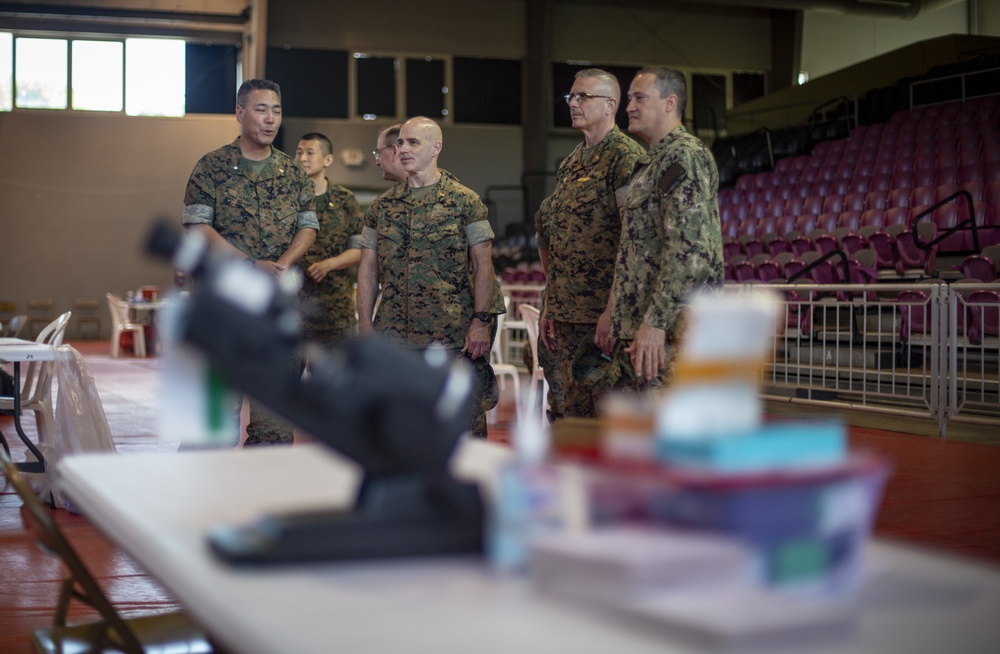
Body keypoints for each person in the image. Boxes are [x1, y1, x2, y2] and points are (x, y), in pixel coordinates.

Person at [182, 78, 318, 446]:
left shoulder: (294, 174)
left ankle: (263, 501)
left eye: (276, 110)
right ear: (240, 113)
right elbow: (198, 227)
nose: (270, 119)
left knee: (274, 427)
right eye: (261, 109)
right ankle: (202, 502)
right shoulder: (211, 167)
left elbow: (308, 228)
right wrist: (248, 264)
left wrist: (283, 265)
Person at [357, 116, 505, 438]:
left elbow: (484, 265)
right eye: (400, 144)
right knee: (401, 428)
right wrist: (365, 326)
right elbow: (368, 268)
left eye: (413, 142)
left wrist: (480, 322)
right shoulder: (382, 207)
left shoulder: (465, 202)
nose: (403, 149)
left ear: (436, 147)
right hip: (395, 338)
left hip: (452, 339)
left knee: (462, 428)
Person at [535, 69, 644, 420]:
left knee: (613, 421)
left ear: (610, 105)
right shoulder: (570, 164)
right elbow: (556, 238)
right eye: (572, 97)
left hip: (604, 321)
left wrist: (613, 312)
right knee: (571, 417)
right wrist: (551, 302)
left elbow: (635, 239)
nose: (574, 104)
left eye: (584, 96)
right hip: (567, 318)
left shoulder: (625, 157)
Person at [607, 67, 724, 390]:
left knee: (669, 435)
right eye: (629, 98)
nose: (629, 106)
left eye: (639, 98)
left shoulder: (685, 157)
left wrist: (655, 322)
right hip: (640, 331)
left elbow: (691, 254)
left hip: (669, 335)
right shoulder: (651, 164)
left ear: (670, 103)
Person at [295, 132, 364, 346]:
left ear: (328, 159)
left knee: (333, 377)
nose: (302, 158)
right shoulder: (285, 198)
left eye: (309, 153)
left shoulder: (345, 200)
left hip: (334, 310)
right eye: (298, 152)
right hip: (292, 306)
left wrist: (329, 264)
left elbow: (359, 249)